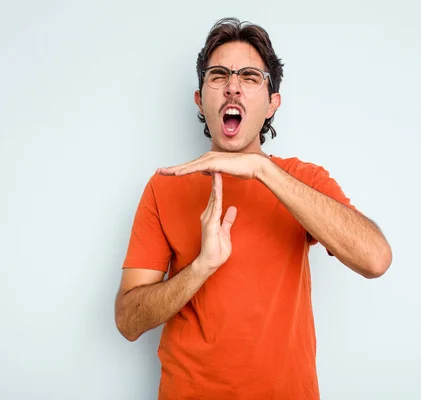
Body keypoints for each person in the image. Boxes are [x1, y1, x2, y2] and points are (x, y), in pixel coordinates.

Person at [114, 17, 392, 400]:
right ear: (200, 98)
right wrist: (201, 267)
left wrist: (263, 169)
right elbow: (128, 321)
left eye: (249, 77)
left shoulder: (302, 179)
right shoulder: (164, 186)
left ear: (272, 102)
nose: (232, 87)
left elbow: (376, 259)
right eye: (218, 75)